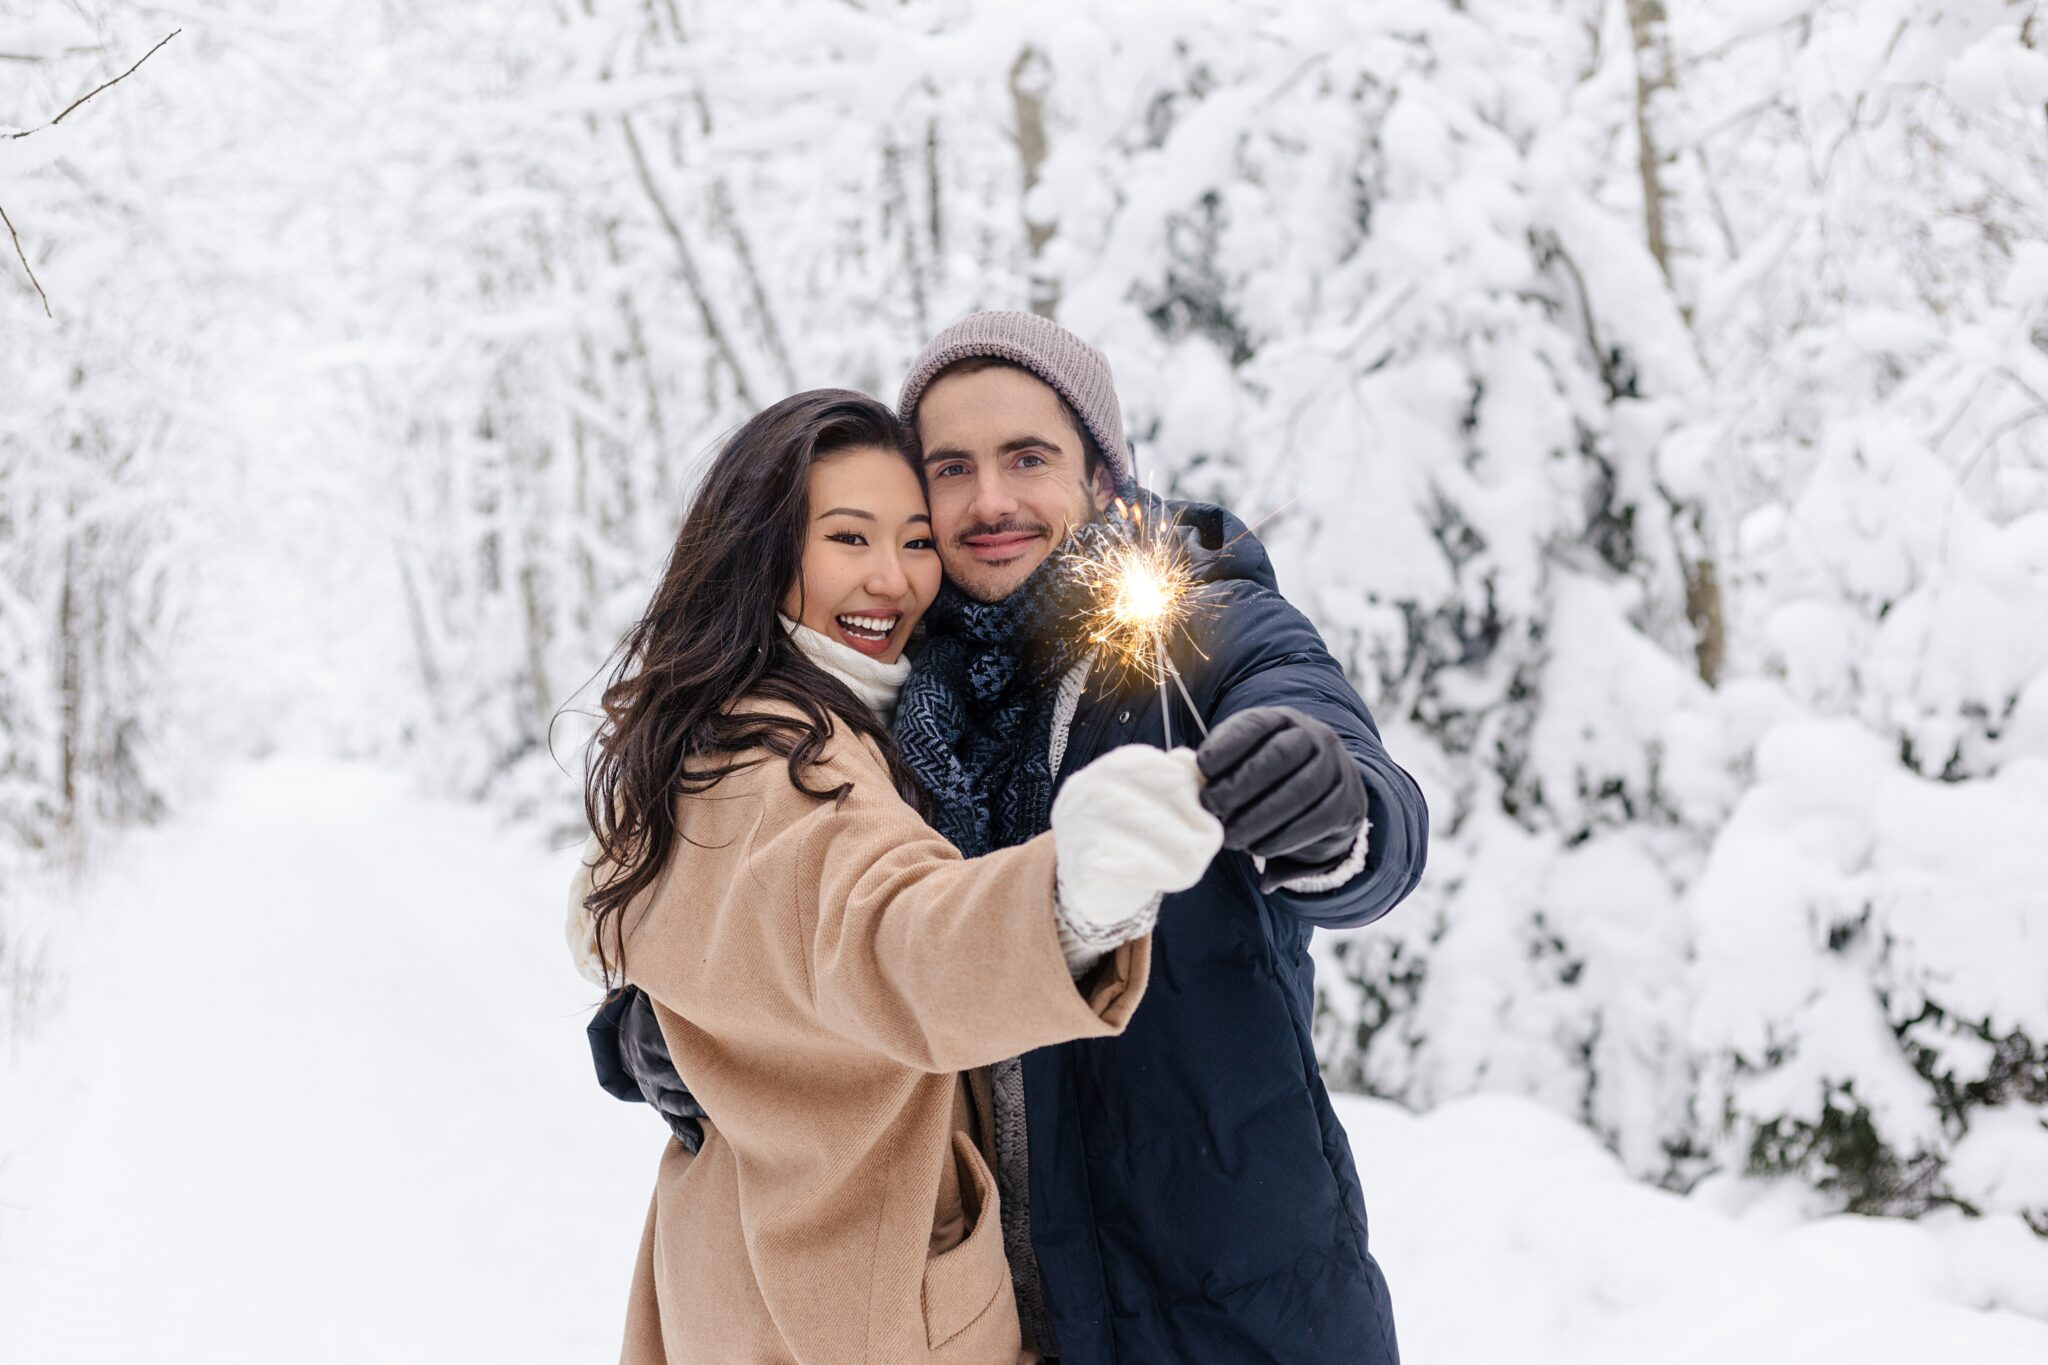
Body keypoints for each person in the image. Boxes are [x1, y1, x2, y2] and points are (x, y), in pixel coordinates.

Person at [602, 317, 1430, 1364]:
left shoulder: (1202, 636)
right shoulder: (885, 680)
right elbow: (828, 910)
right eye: (951, 469)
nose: (988, 501)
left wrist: (1333, 808)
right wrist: (668, 1024)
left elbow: (1369, 816)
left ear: (1100, 476)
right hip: (984, 1312)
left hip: (1220, 1296)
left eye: (1026, 459)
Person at [568, 389, 1223, 1365]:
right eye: (847, 538)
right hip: (855, 1306)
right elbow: (894, 933)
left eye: (916, 541)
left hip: (743, 1275)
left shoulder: (714, 724)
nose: (892, 579)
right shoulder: (795, 758)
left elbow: (705, 922)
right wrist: (1069, 895)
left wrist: (680, 1016)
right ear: (762, 550)